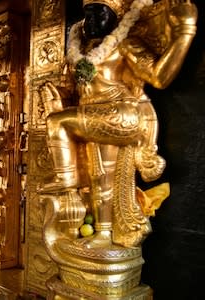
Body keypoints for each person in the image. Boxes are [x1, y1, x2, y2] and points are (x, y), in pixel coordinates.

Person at [39, 0, 196, 247]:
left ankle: (65, 181)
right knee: (100, 176)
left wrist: (185, 32)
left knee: (57, 122)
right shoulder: (80, 50)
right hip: (93, 116)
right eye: (87, 14)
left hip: (124, 113)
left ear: (116, 17)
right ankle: (103, 234)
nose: (90, 20)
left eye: (98, 13)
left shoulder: (124, 43)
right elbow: (76, 88)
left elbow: (159, 76)